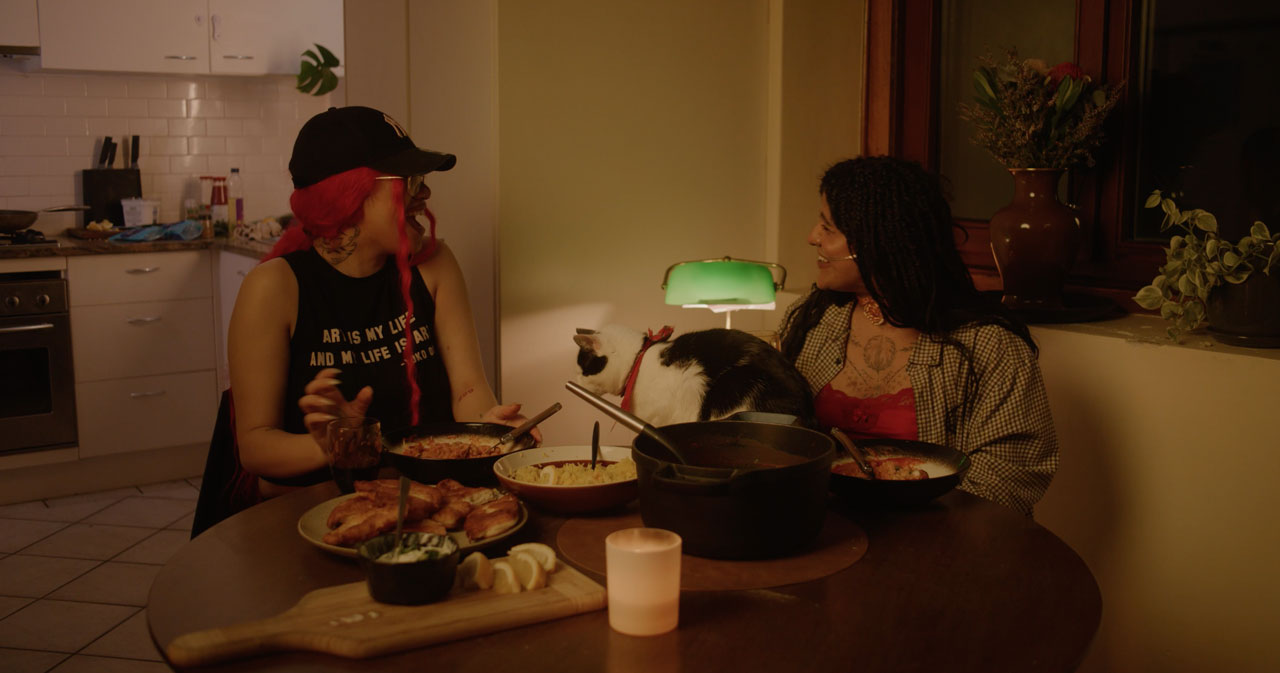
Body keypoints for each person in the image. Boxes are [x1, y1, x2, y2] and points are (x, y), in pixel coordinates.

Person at [226, 105, 533, 500]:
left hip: (424, 498)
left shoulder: (436, 265)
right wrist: (337, 442)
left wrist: (489, 428)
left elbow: (468, 393)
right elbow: (255, 448)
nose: (424, 193)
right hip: (312, 509)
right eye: (408, 181)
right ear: (348, 194)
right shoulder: (273, 288)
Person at [778, 156, 1058, 515]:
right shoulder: (812, 320)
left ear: (879, 241)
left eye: (828, 228)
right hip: (822, 533)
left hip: (936, 548)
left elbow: (1008, 476)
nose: (811, 237)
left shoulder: (989, 347)